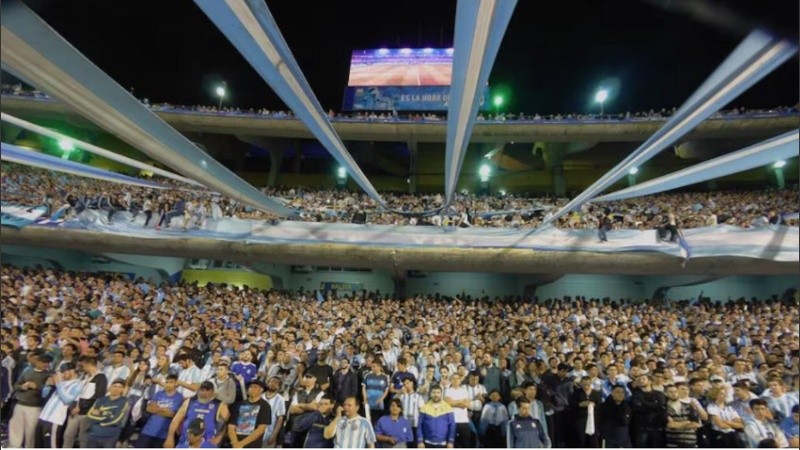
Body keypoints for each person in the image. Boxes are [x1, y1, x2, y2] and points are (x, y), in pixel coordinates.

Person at [165, 381, 229, 448]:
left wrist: (219, 438)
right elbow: (175, 421)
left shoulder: (219, 405)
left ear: (212, 391)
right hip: (185, 442)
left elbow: (225, 424)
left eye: (207, 390)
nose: (204, 393)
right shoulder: (189, 401)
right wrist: (170, 437)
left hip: (207, 443)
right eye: (202, 390)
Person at [35, 362, 84, 448]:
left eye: (64, 372)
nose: (62, 374)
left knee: (50, 445)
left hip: (55, 419)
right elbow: (44, 395)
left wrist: (58, 383)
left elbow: (67, 400)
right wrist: (48, 385)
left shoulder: (78, 384)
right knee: (40, 445)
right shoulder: (62, 383)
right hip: (44, 416)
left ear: (72, 371)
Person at [63, 355, 107, 449]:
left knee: (83, 437)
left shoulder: (101, 378)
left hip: (87, 412)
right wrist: (73, 407)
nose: (81, 368)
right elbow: (76, 393)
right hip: (75, 410)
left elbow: (98, 397)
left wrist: (81, 407)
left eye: (82, 365)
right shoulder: (83, 376)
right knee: (68, 435)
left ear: (90, 364)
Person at [8, 353, 51, 448]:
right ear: (37, 362)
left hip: (35, 407)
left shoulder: (49, 375)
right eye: (44, 362)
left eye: (47, 363)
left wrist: (37, 387)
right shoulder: (27, 371)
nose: (46, 365)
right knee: (15, 428)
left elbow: (49, 391)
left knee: (31, 432)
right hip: (20, 404)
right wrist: (23, 386)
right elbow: (16, 385)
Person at [136, 374, 184, 448]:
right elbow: (149, 409)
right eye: (166, 382)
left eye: (171, 382)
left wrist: (156, 409)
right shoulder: (158, 393)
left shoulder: (179, 397)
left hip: (163, 434)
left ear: (176, 384)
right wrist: (163, 410)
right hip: (148, 430)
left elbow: (171, 414)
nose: (168, 384)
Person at [85, 378, 130, 448]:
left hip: (109, 437)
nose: (116, 389)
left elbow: (116, 420)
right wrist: (109, 414)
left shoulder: (124, 402)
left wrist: (100, 413)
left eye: (120, 387)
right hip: (94, 434)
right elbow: (90, 415)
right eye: (115, 386)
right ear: (110, 387)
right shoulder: (101, 399)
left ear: (123, 389)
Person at [227, 379, 271, 448]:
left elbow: (261, 429)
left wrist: (241, 444)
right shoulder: (240, 404)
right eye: (250, 387)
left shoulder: (265, 406)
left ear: (261, 390)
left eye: (255, 387)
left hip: (252, 445)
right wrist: (235, 443)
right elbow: (231, 426)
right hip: (235, 443)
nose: (252, 389)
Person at [630, 374, 667, 448]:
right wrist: (653, 405)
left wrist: (643, 403)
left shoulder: (659, 394)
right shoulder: (636, 395)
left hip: (656, 427)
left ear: (650, 381)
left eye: (643, 379)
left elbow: (660, 407)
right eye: (639, 379)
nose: (641, 381)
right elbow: (636, 408)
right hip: (641, 427)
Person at [664, 383, 701, 448]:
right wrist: (687, 422)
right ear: (666, 393)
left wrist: (678, 425)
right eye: (671, 392)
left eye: (675, 391)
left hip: (690, 441)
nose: (674, 394)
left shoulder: (688, 406)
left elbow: (696, 424)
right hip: (673, 442)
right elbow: (670, 424)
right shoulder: (664, 408)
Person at [571, 376, 602, 447]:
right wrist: (580, 404)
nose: (586, 387)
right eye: (584, 385)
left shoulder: (595, 393)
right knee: (581, 438)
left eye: (588, 385)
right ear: (581, 384)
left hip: (593, 419)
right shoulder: (577, 393)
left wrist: (594, 405)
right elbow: (572, 405)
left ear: (590, 384)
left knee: (593, 439)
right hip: (581, 419)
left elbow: (600, 405)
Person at [262, 376, 287, 448]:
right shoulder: (260, 396)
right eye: (272, 382)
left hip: (269, 433)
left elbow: (280, 419)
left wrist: (274, 435)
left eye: (276, 383)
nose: (273, 384)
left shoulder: (280, 399)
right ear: (268, 383)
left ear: (279, 387)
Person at [363, 359, 390, 425]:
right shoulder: (368, 375)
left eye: (374, 366)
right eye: (372, 366)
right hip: (369, 403)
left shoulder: (385, 377)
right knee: (368, 421)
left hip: (379, 403)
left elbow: (386, 390)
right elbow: (363, 388)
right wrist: (365, 399)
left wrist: (382, 399)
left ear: (379, 367)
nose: (372, 368)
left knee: (379, 422)